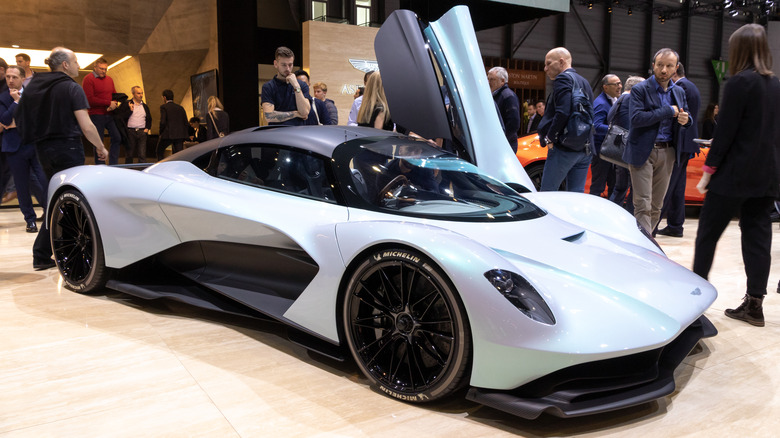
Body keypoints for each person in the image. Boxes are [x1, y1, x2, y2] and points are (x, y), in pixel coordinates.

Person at [693, 24, 780, 327]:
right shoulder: (776, 84)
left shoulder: (738, 83)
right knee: (757, 236)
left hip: (733, 175)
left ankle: (693, 303)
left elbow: (726, 133)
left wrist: (708, 169)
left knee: (707, 236)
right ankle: (754, 305)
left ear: (738, 50)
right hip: (766, 175)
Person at [14, 47, 108, 270]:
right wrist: (101, 147)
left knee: (58, 199)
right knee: (70, 200)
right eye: (75, 61)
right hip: (67, 147)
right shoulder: (71, 88)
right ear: (65, 64)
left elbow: (21, 117)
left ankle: (45, 253)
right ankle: (55, 252)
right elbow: (86, 125)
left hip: (42, 149)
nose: (78, 65)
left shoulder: (36, 85)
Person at [623, 48, 691, 233]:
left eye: (669, 66)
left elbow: (686, 114)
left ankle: (646, 239)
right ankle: (644, 248)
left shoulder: (679, 92)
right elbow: (636, 118)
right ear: (653, 65)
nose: (663, 70)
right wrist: (668, 111)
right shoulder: (639, 89)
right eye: (660, 65)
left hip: (668, 152)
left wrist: (687, 120)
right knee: (642, 204)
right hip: (643, 151)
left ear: (675, 68)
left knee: (657, 206)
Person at [536, 47, 594, 192]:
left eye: (548, 64)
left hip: (564, 148)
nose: (545, 68)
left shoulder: (562, 79)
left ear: (561, 62)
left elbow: (562, 112)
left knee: (548, 193)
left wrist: (550, 137)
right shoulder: (584, 82)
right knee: (576, 196)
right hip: (584, 148)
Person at [0, 65, 48, 232]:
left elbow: (38, 118)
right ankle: (30, 219)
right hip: (14, 148)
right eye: (8, 77)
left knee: (44, 180)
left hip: (34, 144)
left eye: (14, 77)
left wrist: (15, 123)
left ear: (22, 78)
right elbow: (5, 120)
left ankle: (50, 213)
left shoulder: (33, 95)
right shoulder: (2, 98)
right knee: (21, 186)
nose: (10, 80)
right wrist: (15, 102)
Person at [656, 63, 702, 238]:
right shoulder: (691, 86)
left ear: (674, 71)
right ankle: (675, 225)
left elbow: (679, 117)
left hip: (680, 143)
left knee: (666, 184)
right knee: (676, 186)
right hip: (687, 143)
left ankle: (652, 225)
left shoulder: (680, 87)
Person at [607, 75, 644, 213]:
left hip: (619, 149)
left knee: (621, 187)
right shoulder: (629, 100)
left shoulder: (619, 100)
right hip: (628, 149)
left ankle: (611, 215)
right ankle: (630, 218)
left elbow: (610, 119)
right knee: (632, 189)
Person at [82, 57, 122, 165]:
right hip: (96, 115)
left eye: (105, 69)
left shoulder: (109, 79)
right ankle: (100, 166)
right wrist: (108, 103)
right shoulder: (88, 79)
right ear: (95, 67)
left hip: (109, 114)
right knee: (98, 143)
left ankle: (113, 165)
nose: (104, 71)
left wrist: (114, 104)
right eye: (101, 69)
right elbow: (89, 99)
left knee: (117, 138)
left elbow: (114, 94)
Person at [589, 74, 623, 198]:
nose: (619, 86)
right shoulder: (601, 103)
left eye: (620, 83)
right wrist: (615, 131)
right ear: (605, 87)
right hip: (601, 152)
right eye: (616, 84)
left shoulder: (614, 99)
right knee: (598, 186)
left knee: (613, 184)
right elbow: (596, 126)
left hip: (610, 151)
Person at [261, 47, 310, 126]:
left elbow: (304, 112)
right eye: (284, 65)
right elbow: (269, 116)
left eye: (290, 65)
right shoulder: (268, 87)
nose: (287, 68)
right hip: (277, 134)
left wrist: (296, 85)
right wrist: (296, 114)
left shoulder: (301, 85)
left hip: (298, 133)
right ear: (276, 64)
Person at [487, 66, 521, 152]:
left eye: (492, 79)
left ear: (502, 81)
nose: (488, 82)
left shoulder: (508, 96)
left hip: (506, 144)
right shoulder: (493, 95)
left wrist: (501, 139)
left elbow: (514, 123)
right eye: (488, 79)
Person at [116, 86, 151, 163]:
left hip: (142, 132)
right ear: (133, 94)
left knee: (142, 154)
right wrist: (130, 111)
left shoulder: (144, 106)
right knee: (129, 154)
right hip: (130, 132)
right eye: (138, 93)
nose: (141, 95)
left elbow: (149, 118)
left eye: (141, 93)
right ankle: (129, 171)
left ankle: (142, 172)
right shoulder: (127, 104)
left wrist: (147, 129)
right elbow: (120, 117)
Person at [156, 89, 189, 160]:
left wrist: (161, 132)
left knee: (159, 151)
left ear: (164, 97)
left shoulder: (164, 107)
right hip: (180, 135)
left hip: (168, 134)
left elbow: (163, 122)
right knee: (178, 155)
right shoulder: (180, 108)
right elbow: (186, 122)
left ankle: (160, 168)